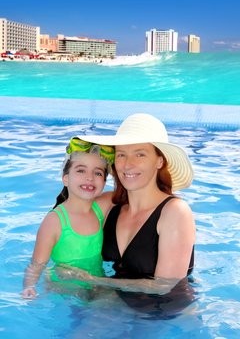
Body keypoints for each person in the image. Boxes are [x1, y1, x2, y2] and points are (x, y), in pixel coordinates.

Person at [57, 113, 196, 297]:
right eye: (121, 154)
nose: (128, 165)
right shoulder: (109, 205)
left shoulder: (175, 212)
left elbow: (165, 286)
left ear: (159, 161)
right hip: (112, 303)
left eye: (140, 154)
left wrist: (91, 280)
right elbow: (63, 217)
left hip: (163, 314)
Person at [22, 137, 114, 299]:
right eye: (80, 170)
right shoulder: (55, 221)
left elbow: (127, 191)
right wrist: (29, 286)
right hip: (65, 286)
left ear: (104, 181)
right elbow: (37, 263)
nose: (90, 177)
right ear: (65, 178)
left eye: (98, 173)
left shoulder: (101, 207)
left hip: (95, 282)